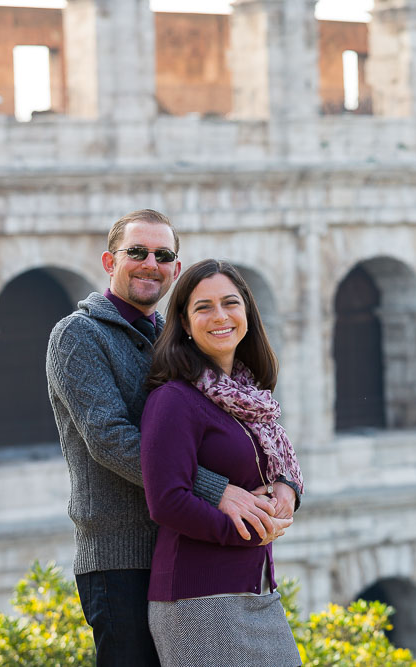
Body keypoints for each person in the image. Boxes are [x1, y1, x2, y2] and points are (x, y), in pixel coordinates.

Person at [46, 210, 296, 666]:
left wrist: (286, 482)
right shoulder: (77, 335)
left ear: (175, 269)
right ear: (109, 260)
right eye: (136, 252)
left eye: (163, 255)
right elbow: (111, 440)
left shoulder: (174, 339)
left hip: (187, 547)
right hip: (120, 555)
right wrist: (215, 491)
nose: (150, 263)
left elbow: (235, 425)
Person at [140, 259, 303, 667]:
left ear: (247, 310)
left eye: (230, 303)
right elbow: (167, 500)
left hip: (257, 590)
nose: (220, 317)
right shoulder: (173, 400)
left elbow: (269, 462)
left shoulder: (250, 397)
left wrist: (287, 485)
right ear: (184, 321)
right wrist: (248, 532)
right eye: (203, 307)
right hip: (198, 599)